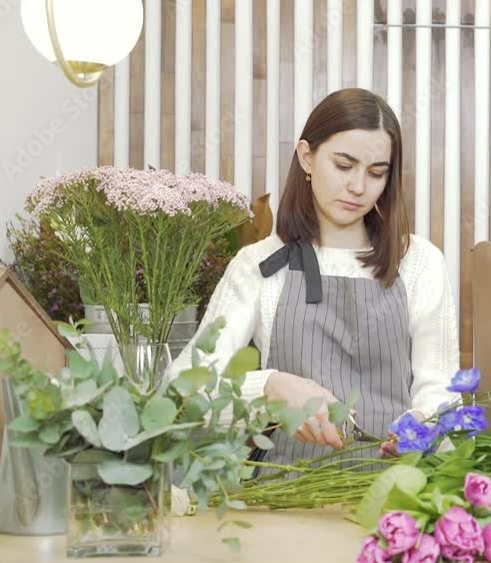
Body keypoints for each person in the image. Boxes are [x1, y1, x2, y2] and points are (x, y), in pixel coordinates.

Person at [170, 88, 459, 468]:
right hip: (286, 502)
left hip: (396, 503)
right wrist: (270, 388)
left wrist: (423, 424)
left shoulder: (420, 263)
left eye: (376, 173)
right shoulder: (258, 265)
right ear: (307, 157)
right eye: (344, 165)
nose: (358, 186)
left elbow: (441, 390)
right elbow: (180, 391)